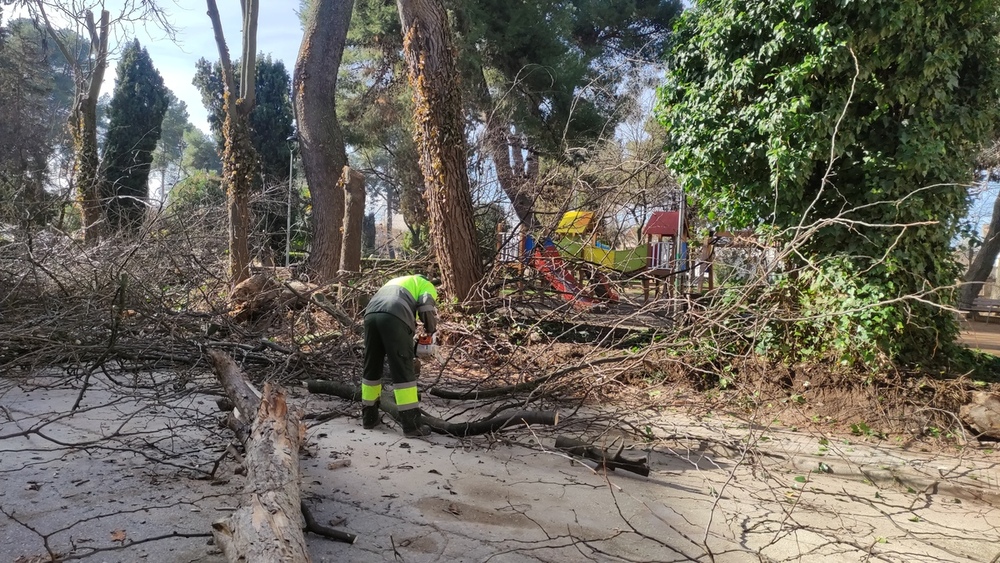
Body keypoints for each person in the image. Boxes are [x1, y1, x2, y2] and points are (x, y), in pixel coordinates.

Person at [361, 274, 438, 437]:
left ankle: (369, 418)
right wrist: (431, 330)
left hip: (370, 315)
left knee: (371, 367)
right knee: (403, 370)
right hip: (395, 315)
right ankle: (412, 426)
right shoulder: (426, 284)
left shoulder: (397, 281)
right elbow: (426, 307)